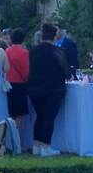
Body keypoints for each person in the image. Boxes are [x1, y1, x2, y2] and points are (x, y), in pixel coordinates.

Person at [28, 23, 70, 157]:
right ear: (54, 36)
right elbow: (66, 70)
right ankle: (46, 146)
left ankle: (36, 145)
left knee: (39, 117)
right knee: (48, 118)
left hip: (34, 89)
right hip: (52, 89)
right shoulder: (56, 51)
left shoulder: (32, 51)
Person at [5, 28, 31, 132]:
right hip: (20, 85)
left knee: (10, 114)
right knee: (19, 116)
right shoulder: (24, 53)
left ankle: (10, 140)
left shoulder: (7, 51)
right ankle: (17, 141)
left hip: (9, 84)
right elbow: (26, 71)